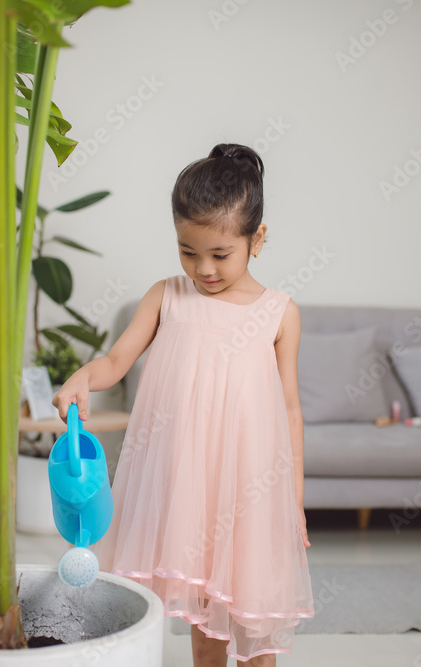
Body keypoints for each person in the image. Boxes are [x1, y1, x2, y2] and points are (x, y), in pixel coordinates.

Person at [53, 143, 313, 666]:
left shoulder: (279, 314)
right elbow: (116, 361)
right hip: (187, 490)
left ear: (256, 239)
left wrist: (294, 502)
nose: (204, 269)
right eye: (188, 251)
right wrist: (84, 376)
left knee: (254, 618)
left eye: (221, 254)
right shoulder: (166, 296)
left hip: (251, 491)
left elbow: (288, 410)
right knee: (204, 617)